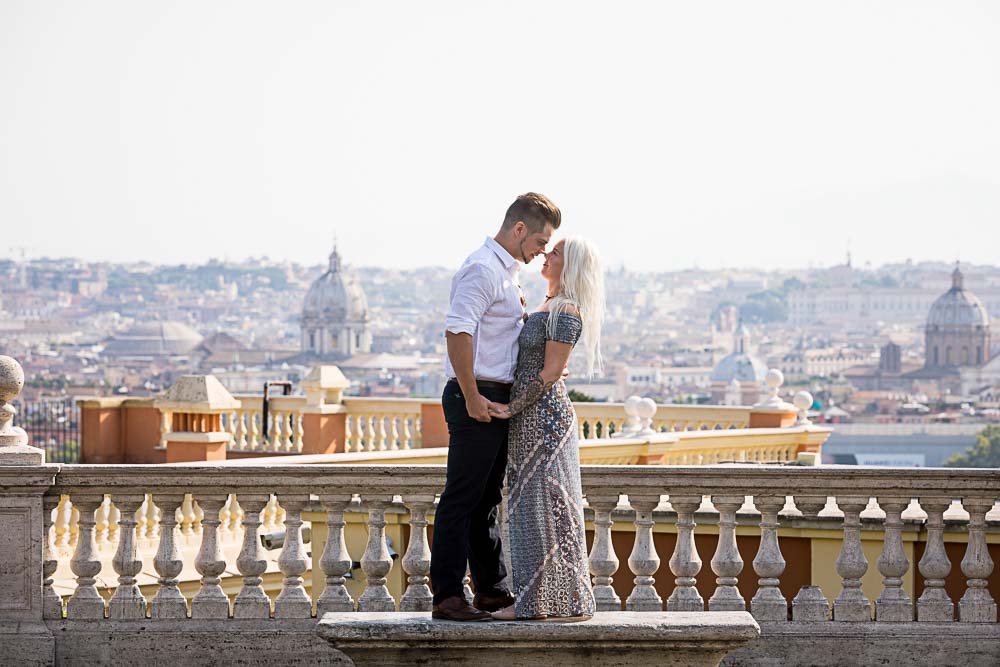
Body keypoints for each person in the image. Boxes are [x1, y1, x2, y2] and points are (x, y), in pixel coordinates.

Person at [430, 192, 561, 622]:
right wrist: (472, 397)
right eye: (541, 240)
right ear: (519, 229)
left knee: (485, 499)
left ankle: (491, 590)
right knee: (462, 498)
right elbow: (458, 331)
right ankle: (447, 595)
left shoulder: (507, 274)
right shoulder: (483, 270)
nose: (542, 250)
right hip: (477, 393)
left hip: (493, 394)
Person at [488, 236, 604, 622]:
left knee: (545, 508)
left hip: (544, 419)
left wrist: (509, 408)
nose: (545, 255)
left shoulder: (566, 310)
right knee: (528, 507)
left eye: (553, 252)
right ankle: (544, 601)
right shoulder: (548, 305)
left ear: (568, 264)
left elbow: (551, 371)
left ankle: (545, 603)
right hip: (529, 418)